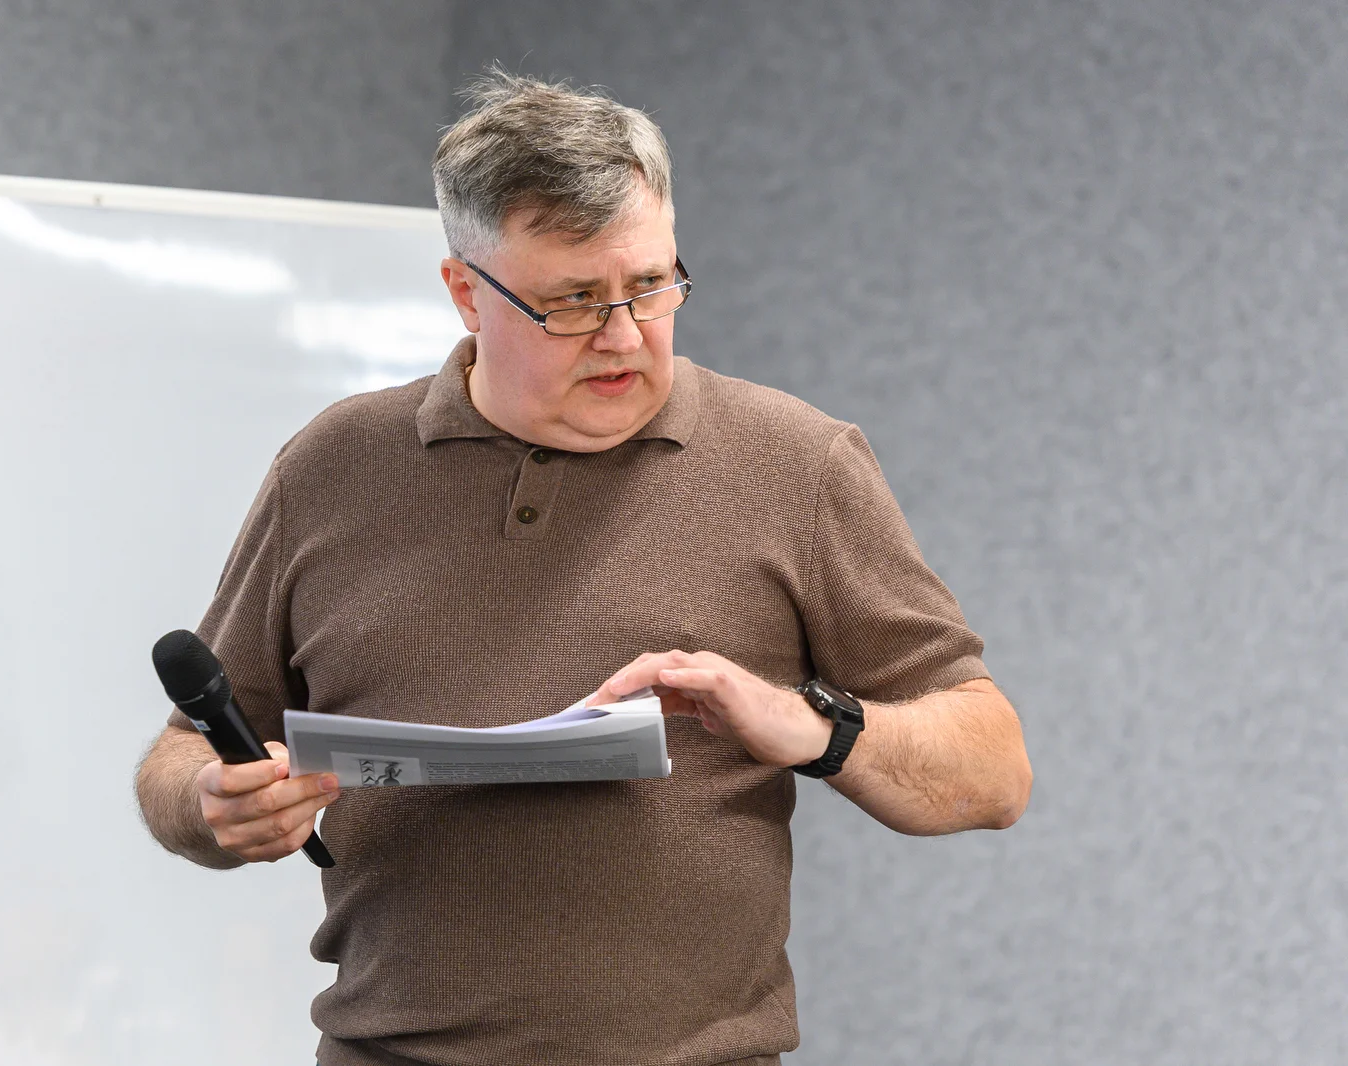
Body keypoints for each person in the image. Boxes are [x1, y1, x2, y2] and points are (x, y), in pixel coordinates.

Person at [135, 70, 1032, 1066]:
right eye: (572, 301)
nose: (623, 336)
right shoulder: (331, 467)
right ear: (466, 293)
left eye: (650, 285)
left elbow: (992, 773)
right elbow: (180, 756)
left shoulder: (798, 464)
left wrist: (812, 727)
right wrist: (211, 804)